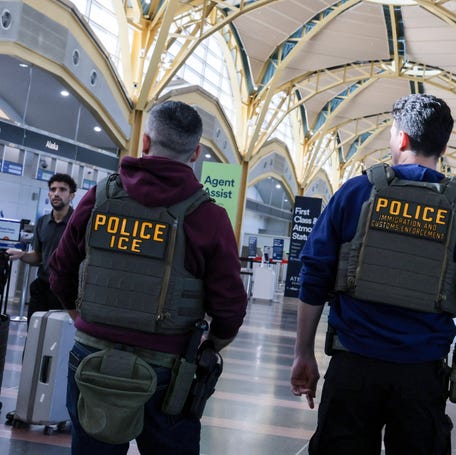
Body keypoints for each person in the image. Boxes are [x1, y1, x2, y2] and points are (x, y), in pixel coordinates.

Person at [48, 100, 247, 455]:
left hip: (92, 359)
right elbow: (230, 306)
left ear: (144, 142)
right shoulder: (209, 217)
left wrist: (85, 320)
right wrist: (212, 344)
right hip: (168, 372)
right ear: (196, 152)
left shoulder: (100, 197)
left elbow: (60, 270)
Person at [291, 93, 456, 455]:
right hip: (422, 372)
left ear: (401, 138)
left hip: (354, 366)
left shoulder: (357, 191)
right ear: (443, 146)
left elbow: (314, 274)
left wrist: (303, 352)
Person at [7, 173, 76, 323]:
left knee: (58, 338)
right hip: (43, 286)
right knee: (33, 333)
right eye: (53, 189)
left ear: (72, 196)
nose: (56, 193)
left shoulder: (78, 223)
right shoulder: (43, 222)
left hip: (67, 291)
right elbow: (38, 256)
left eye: (62, 190)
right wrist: (22, 255)